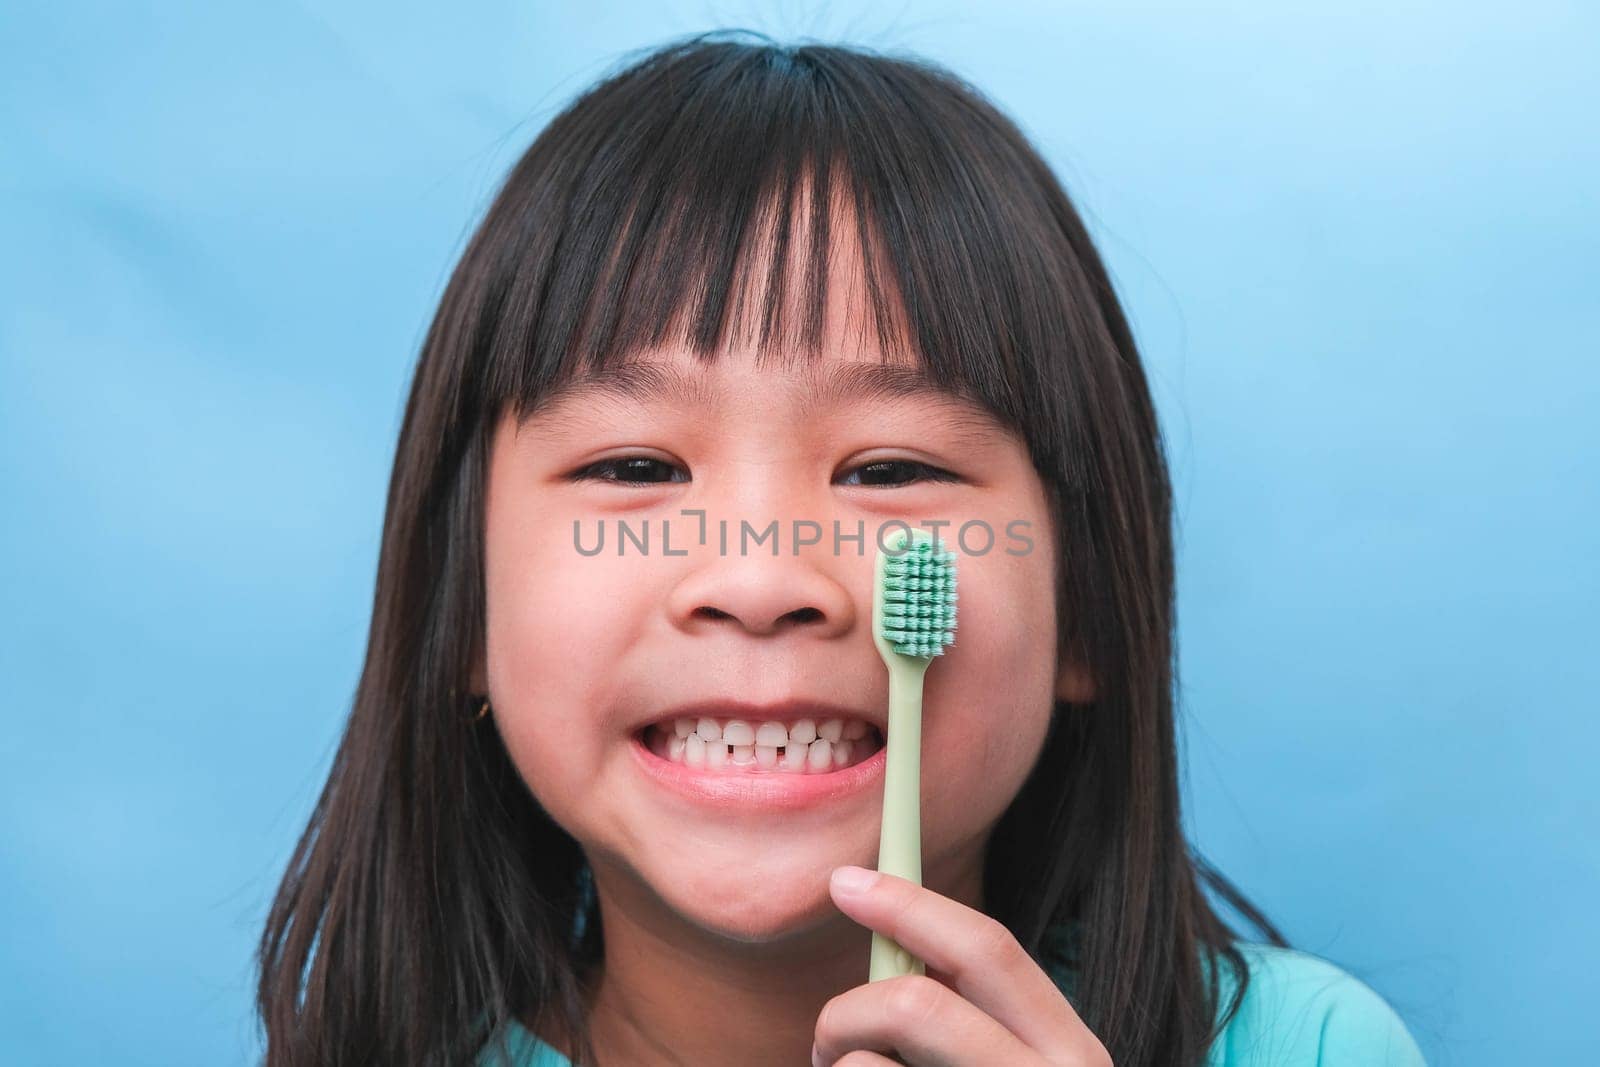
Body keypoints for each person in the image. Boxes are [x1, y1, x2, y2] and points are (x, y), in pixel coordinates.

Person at [254, 30, 1429, 1067]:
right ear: (461, 611)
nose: (763, 579)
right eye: (636, 468)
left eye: (888, 470)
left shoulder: (1310, 1048)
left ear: (1092, 614)